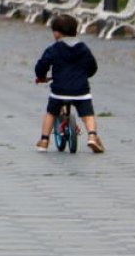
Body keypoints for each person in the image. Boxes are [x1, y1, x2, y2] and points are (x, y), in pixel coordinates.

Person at [34, 13, 105, 153]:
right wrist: (85, 75)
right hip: (81, 90)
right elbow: (92, 66)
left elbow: (42, 64)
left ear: (56, 33)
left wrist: (41, 76)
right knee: (87, 115)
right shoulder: (83, 48)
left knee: (51, 113)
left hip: (59, 91)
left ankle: (44, 140)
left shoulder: (53, 49)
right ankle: (92, 136)